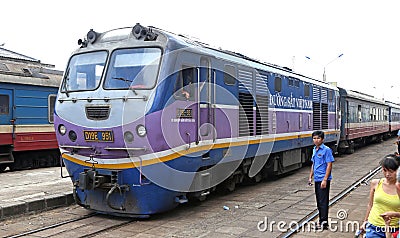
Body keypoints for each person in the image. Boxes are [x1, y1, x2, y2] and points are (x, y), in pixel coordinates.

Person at [360, 154, 400, 237]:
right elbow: (370, 205)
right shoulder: (376, 183)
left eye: (391, 171)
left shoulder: (398, 187)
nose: (387, 174)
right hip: (373, 227)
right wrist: (365, 221)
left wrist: (394, 214)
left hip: (394, 229)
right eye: (385, 170)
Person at [308, 130, 334, 230]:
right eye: (314, 138)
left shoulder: (326, 150)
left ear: (322, 139)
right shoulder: (314, 149)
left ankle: (324, 223)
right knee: (319, 202)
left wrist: (325, 179)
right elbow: (313, 164)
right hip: (317, 179)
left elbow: (329, 164)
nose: (316, 140)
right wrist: (310, 176)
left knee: (323, 202)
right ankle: (321, 221)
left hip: (323, 179)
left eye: (318, 138)